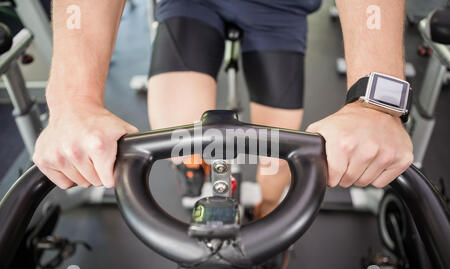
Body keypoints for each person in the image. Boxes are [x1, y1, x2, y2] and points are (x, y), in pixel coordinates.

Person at [33, 0, 413, 220]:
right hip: (189, 4)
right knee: (180, 142)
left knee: (279, 167)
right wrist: (74, 99)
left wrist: (375, 104)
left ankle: (265, 216)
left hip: (279, 8)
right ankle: (197, 187)